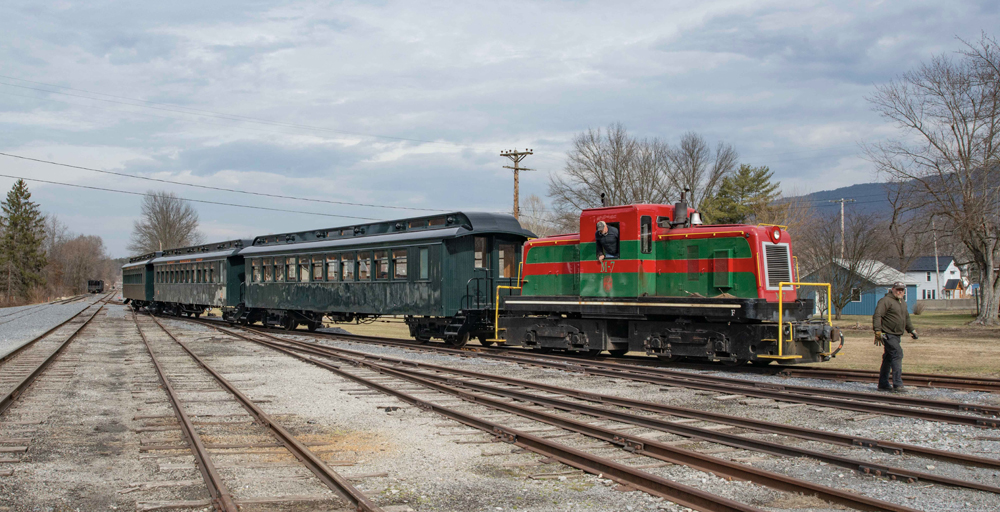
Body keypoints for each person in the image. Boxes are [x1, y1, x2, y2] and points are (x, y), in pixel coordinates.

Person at [872, 282, 918, 392]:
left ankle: (883, 384)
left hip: (896, 334)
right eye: (898, 289)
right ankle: (897, 384)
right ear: (892, 289)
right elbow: (877, 315)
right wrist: (878, 331)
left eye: (902, 290)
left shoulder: (902, 302)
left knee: (888, 357)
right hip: (886, 333)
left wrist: (911, 330)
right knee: (897, 353)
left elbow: (906, 317)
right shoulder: (885, 301)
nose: (900, 291)